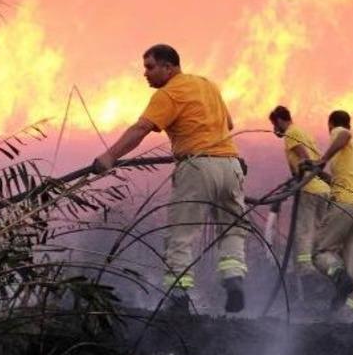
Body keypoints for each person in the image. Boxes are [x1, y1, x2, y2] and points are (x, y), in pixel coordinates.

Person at [92, 44, 248, 315]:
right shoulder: (207, 85)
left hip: (198, 168)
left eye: (150, 67)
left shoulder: (169, 93)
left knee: (182, 233)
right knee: (232, 228)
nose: (145, 74)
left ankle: (178, 296)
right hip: (231, 165)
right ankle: (233, 276)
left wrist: (109, 157)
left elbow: (141, 129)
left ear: (169, 67)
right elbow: (229, 124)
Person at [310, 110, 353, 320]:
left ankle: (339, 276)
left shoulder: (341, 134)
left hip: (345, 206)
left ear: (331, 125)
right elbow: (342, 180)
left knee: (320, 253)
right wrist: (318, 172)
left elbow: (343, 134)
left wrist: (322, 159)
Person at [268, 106, 330, 278]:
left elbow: (305, 157)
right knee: (319, 229)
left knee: (303, 230)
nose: (275, 129)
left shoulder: (291, 133)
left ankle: (305, 270)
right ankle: (321, 263)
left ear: (280, 121)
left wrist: (302, 174)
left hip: (309, 187)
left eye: (275, 124)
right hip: (322, 189)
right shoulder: (304, 133)